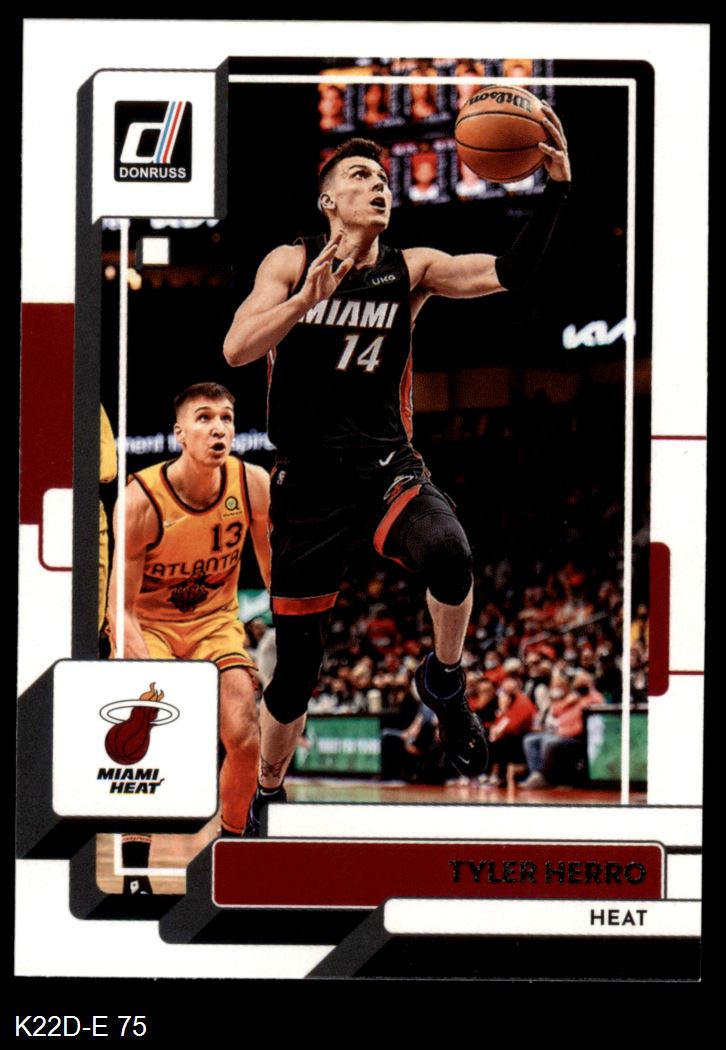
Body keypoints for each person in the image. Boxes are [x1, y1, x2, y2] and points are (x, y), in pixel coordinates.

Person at [223, 113, 570, 835]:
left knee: (450, 552)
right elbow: (236, 350)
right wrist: (304, 300)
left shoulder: (411, 268)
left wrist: (555, 191)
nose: (379, 186)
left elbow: (509, 272)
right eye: (361, 176)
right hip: (307, 483)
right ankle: (269, 788)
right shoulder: (290, 262)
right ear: (328, 200)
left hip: (384, 462)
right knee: (296, 674)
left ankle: (443, 678)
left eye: (384, 180)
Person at [107, 382, 271, 867]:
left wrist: (297, 637)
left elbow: (276, 574)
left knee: (245, 736)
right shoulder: (140, 500)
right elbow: (121, 608)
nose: (218, 428)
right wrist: (153, 682)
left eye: (226, 418)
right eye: (204, 418)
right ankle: (135, 860)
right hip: (148, 624)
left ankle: (232, 848)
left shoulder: (252, 484)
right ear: (180, 432)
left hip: (214, 623)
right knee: (147, 735)